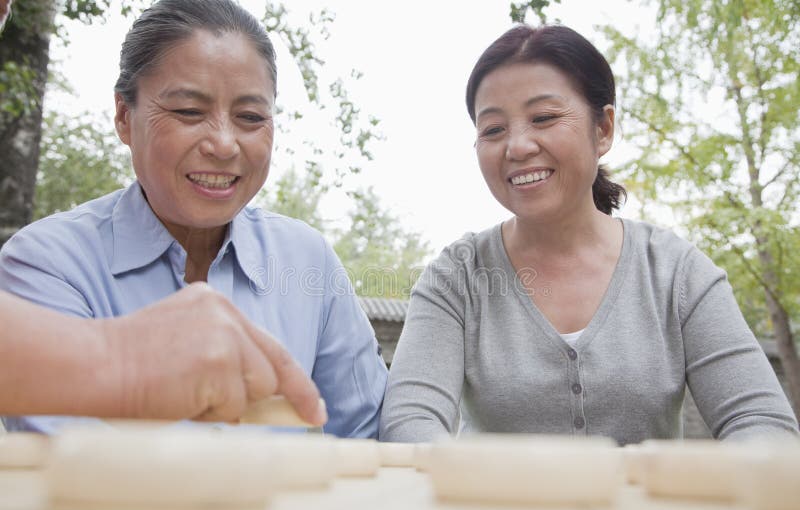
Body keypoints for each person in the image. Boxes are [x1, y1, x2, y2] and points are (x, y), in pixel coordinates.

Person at [379, 25, 798, 445]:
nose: (518, 146)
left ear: (603, 129)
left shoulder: (675, 272)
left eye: (543, 118)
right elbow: (409, 422)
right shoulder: (458, 276)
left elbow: (761, 421)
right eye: (493, 129)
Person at [0, 0, 387, 436]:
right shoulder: (49, 263)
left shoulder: (307, 260)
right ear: (125, 117)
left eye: (250, 117)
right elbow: (65, 455)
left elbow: (367, 436)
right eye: (188, 111)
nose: (223, 143)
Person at [1, 283, 326, 425]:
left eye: (251, 133)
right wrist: (120, 359)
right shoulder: (44, 255)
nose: (224, 147)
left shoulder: (313, 262)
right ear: (126, 136)